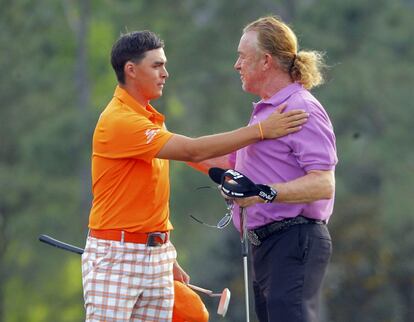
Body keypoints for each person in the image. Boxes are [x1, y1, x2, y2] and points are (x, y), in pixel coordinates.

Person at [81, 30, 309, 321]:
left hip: (155, 253)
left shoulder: (144, 118)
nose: (166, 73)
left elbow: (199, 161)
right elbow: (191, 151)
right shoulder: (119, 121)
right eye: (157, 65)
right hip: (117, 254)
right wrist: (261, 131)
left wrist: (162, 249)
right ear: (131, 70)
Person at [197, 16, 337, 322]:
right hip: (267, 245)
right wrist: (168, 147)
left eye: (242, 57)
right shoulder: (266, 112)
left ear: (265, 61)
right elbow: (231, 166)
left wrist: (263, 193)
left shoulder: (301, 108)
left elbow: (323, 184)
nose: (236, 65)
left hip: (295, 240)